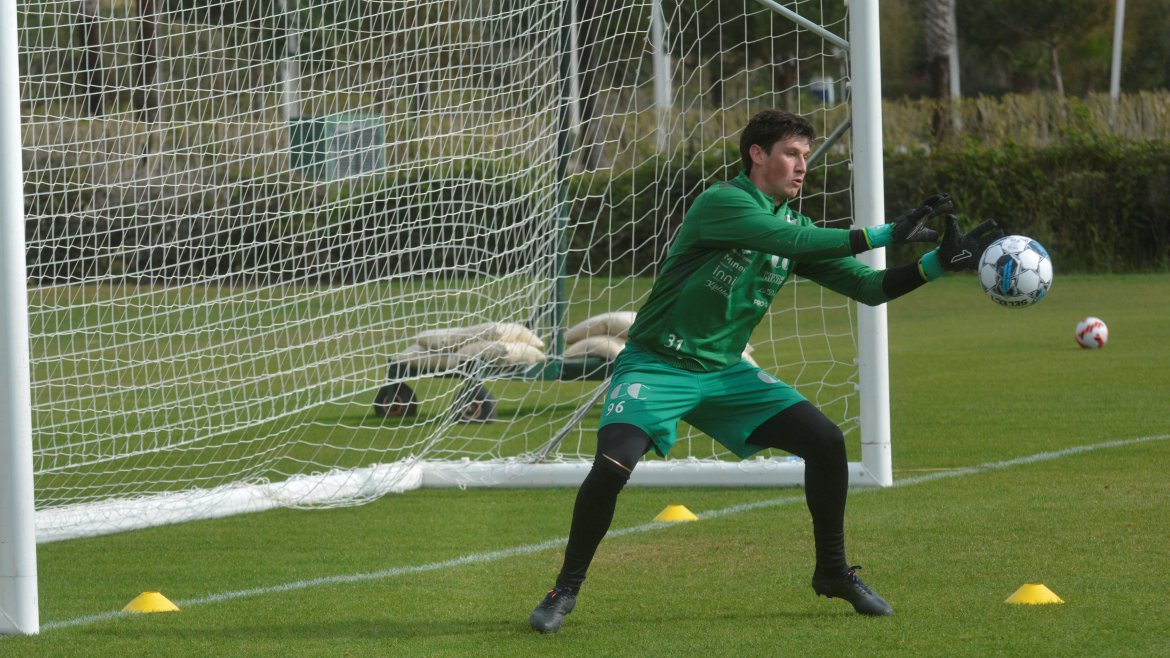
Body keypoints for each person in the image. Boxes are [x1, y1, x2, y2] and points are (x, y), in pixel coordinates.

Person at [529, 109, 1001, 632]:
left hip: (725, 373)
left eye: (805, 156)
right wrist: (886, 233)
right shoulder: (723, 202)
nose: (802, 167)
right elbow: (789, 243)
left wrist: (936, 264)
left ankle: (833, 572)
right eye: (791, 154)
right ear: (757, 155)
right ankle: (564, 589)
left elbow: (869, 289)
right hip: (658, 364)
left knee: (825, 441)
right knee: (614, 463)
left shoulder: (796, 227)